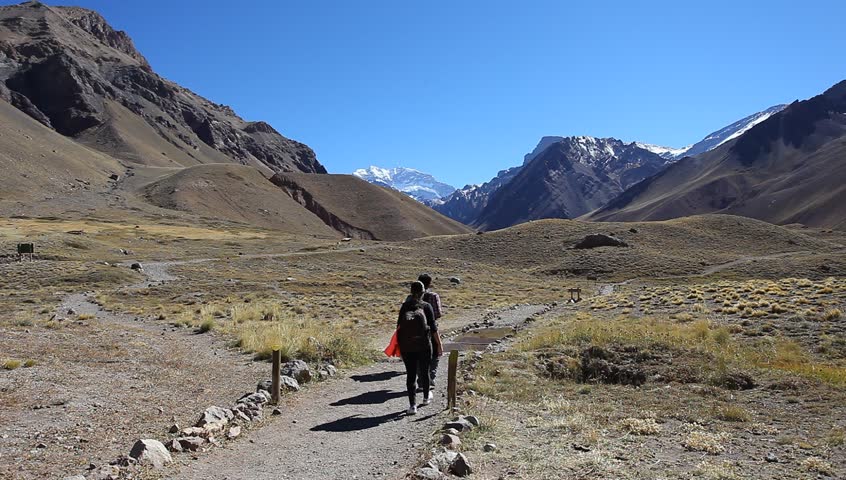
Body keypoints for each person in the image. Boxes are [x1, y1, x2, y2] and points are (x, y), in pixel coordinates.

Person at [396, 281, 436, 415]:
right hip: (424, 345)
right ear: (423, 292)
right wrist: (439, 345)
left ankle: (412, 406)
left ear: (411, 291)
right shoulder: (426, 306)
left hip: (407, 347)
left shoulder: (405, 307)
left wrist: (399, 348)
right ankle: (425, 398)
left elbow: (398, 328)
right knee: (425, 372)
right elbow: (433, 328)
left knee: (410, 375)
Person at [417, 273, 444, 391]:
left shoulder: (411, 298)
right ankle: (430, 378)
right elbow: (438, 314)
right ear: (429, 283)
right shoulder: (433, 296)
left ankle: (421, 381)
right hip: (430, 328)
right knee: (435, 353)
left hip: (415, 330)